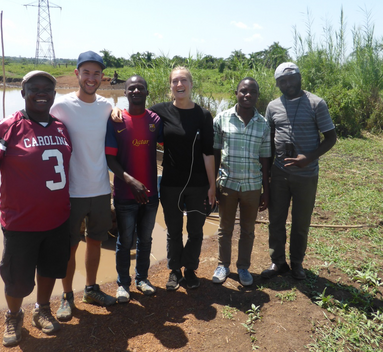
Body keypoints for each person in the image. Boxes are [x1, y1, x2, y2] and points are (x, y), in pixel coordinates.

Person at [0, 70, 72, 347]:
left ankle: (42, 309)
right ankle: (13, 315)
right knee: (16, 279)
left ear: (54, 95)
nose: (41, 93)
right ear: (22, 93)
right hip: (20, 223)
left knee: (49, 269)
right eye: (34, 88)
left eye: (47, 89)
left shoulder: (61, 128)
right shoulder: (6, 127)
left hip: (58, 219)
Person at [112, 66, 216, 290]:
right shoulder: (160, 111)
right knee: (174, 230)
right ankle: (174, 270)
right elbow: (135, 112)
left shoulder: (204, 116)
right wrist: (116, 111)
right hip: (170, 184)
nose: (180, 85)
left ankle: (190, 269)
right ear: (170, 86)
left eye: (184, 80)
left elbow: (209, 153)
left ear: (191, 84)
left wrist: (212, 186)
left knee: (196, 230)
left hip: (198, 185)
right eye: (175, 81)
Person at [50, 51, 116, 322]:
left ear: (103, 77)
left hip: (100, 188)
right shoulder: (61, 107)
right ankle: (66, 296)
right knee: (69, 247)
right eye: (86, 72)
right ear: (77, 74)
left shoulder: (107, 106)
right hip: (72, 191)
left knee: (95, 242)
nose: (91, 78)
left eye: (96, 73)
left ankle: (91, 288)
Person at [261, 62, 336, 280]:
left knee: (301, 222)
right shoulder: (273, 106)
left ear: (299, 77)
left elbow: (331, 138)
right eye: (282, 81)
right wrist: (266, 173)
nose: (288, 84)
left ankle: (297, 263)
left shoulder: (316, 103)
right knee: (276, 220)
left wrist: (308, 157)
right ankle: (278, 262)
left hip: (306, 174)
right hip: (279, 175)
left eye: (291, 78)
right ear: (277, 84)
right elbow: (269, 142)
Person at [105, 75, 163, 303]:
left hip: (150, 194)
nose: (136, 91)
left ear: (147, 92)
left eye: (140, 88)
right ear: (125, 92)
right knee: (124, 240)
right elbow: (110, 159)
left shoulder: (156, 120)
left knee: (146, 239)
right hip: (124, 193)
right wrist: (130, 180)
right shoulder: (116, 120)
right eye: (132, 88)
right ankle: (123, 284)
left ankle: (142, 279)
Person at [212, 77, 271, 287]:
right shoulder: (222, 119)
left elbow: (265, 159)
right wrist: (214, 184)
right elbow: (215, 153)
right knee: (224, 228)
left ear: (257, 95)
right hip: (227, 183)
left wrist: (266, 189)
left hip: (252, 186)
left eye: (252, 92)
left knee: (248, 230)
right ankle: (223, 265)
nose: (248, 95)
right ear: (236, 92)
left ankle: (243, 267)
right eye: (243, 91)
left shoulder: (263, 124)